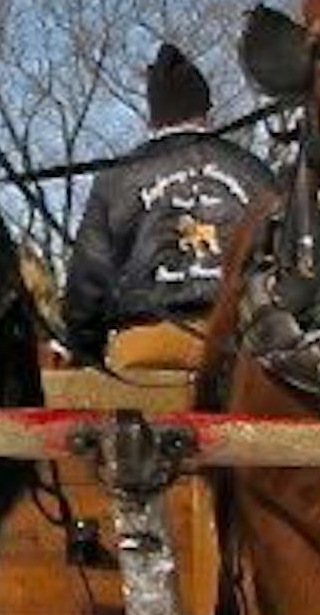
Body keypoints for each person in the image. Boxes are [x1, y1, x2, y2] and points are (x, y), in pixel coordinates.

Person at [61, 43, 275, 370]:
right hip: (238, 347)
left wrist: (84, 349)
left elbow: (88, 280)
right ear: (205, 109)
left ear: (154, 116)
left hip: (144, 346)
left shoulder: (118, 178)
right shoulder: (253, 171)